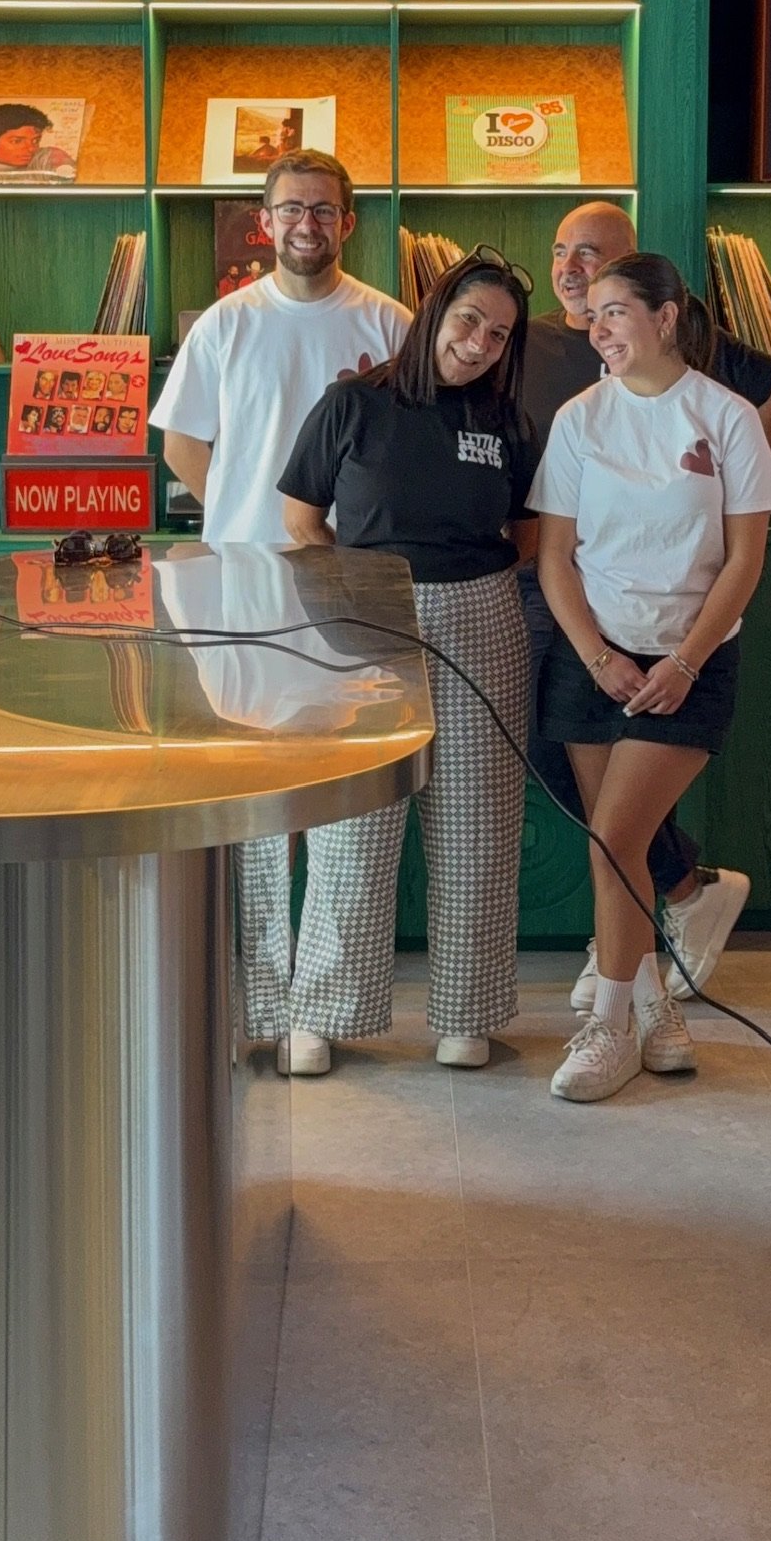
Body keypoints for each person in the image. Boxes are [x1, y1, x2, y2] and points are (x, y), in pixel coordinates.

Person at [520, 199, 771, 1001]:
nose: (573, 271)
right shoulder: (538, 343)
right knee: (563, 773)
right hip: (563, 590)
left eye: (594, 258)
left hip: (683, 614)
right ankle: (654, 927)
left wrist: (720, 490)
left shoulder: (699, 362)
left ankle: (633, 962)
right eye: (561, 253)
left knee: (617, 822)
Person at [150, 148, 410, 1071]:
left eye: (325, 209)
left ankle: (320, 1012)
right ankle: (258, 1000)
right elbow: (186, 447)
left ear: (350, 221)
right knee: (255, 801)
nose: (308, 224)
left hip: (355, 584)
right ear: (265, 222)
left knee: (343, 802)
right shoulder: (227, 324)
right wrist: (243, 517)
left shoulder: (389, 323)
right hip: (245, 586)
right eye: (290, 208)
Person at [278, 249, 539, 1072]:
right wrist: (358, 596)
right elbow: (301, 520)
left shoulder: (505, 423)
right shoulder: (353, 403)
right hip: (365, 619)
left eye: (498, 335)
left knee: (477, 828)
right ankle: (320, 1010)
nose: (479, 343)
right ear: (432, 313)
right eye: (468, 321)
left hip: (483, 619)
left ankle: (466, 1013)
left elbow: (526, 535)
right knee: (353, 828)